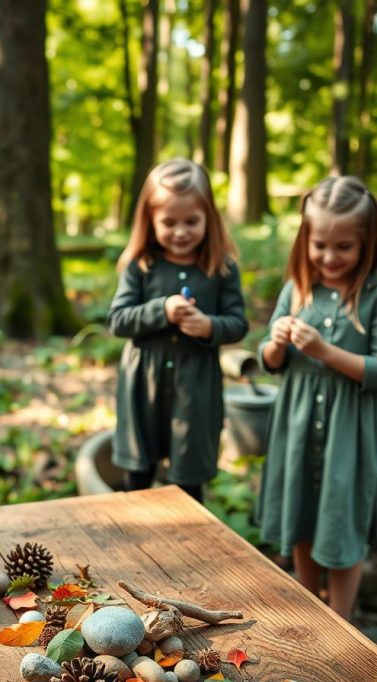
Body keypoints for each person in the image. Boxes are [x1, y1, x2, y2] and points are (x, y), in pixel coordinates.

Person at [258, 176, 377, 621]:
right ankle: (310, 609)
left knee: (342, 519)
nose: (329, 257)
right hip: (298, 423)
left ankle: (341, 619)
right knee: (303, 511)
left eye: (343, 247)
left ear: (367, 243)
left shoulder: (371, 297)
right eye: (319, 244)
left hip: (351, 429)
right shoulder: (296, 289)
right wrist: (275, 341)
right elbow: (270, 360)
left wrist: (324, 352)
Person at [108, 157, 248, 501]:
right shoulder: (142, 266)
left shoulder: (222, 268)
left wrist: (208, 327)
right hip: (144, 384)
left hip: (196, 387)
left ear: (209, 218)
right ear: (150, 220)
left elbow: (237, 324)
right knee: (138, 473)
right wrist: (162, 309)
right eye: (169, 222)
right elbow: (118, 320)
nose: (181, 231)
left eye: (192, 221)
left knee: (188, 479)